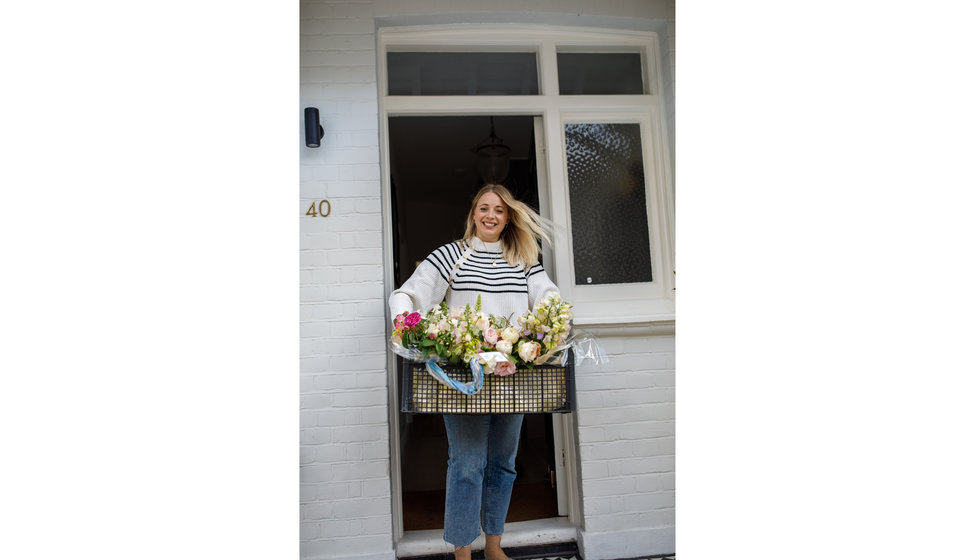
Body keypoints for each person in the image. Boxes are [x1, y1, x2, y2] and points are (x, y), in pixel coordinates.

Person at [388, 184, 560, 560]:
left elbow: (548, 295)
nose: (491, 216)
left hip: (509, 377)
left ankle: (494, 545)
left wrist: (551, 317)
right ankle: (462, 553)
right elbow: (408, 294)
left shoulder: (523, 260)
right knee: (467, 465)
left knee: (502, 463)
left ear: (508, 217)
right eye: (484, 208)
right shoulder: (452, 255)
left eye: (499, 210)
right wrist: (405, 320)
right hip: (462, 379)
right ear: (473, 214)